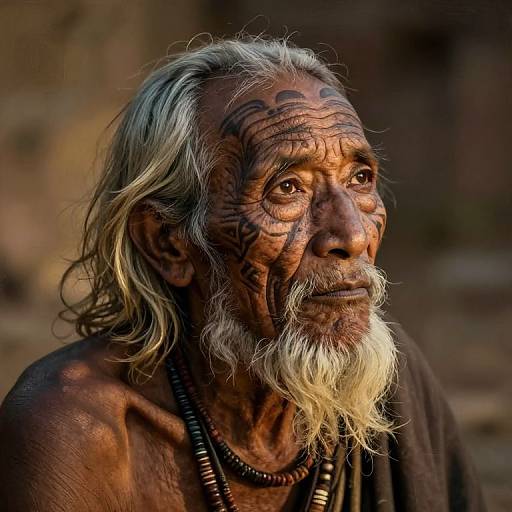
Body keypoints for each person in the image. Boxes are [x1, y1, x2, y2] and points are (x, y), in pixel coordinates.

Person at [0, 37, 486, 512]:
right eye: (287, 188)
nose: (352, 235)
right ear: (168, 242)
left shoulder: (391, 384)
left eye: (360, 179)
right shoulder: (75, 430)